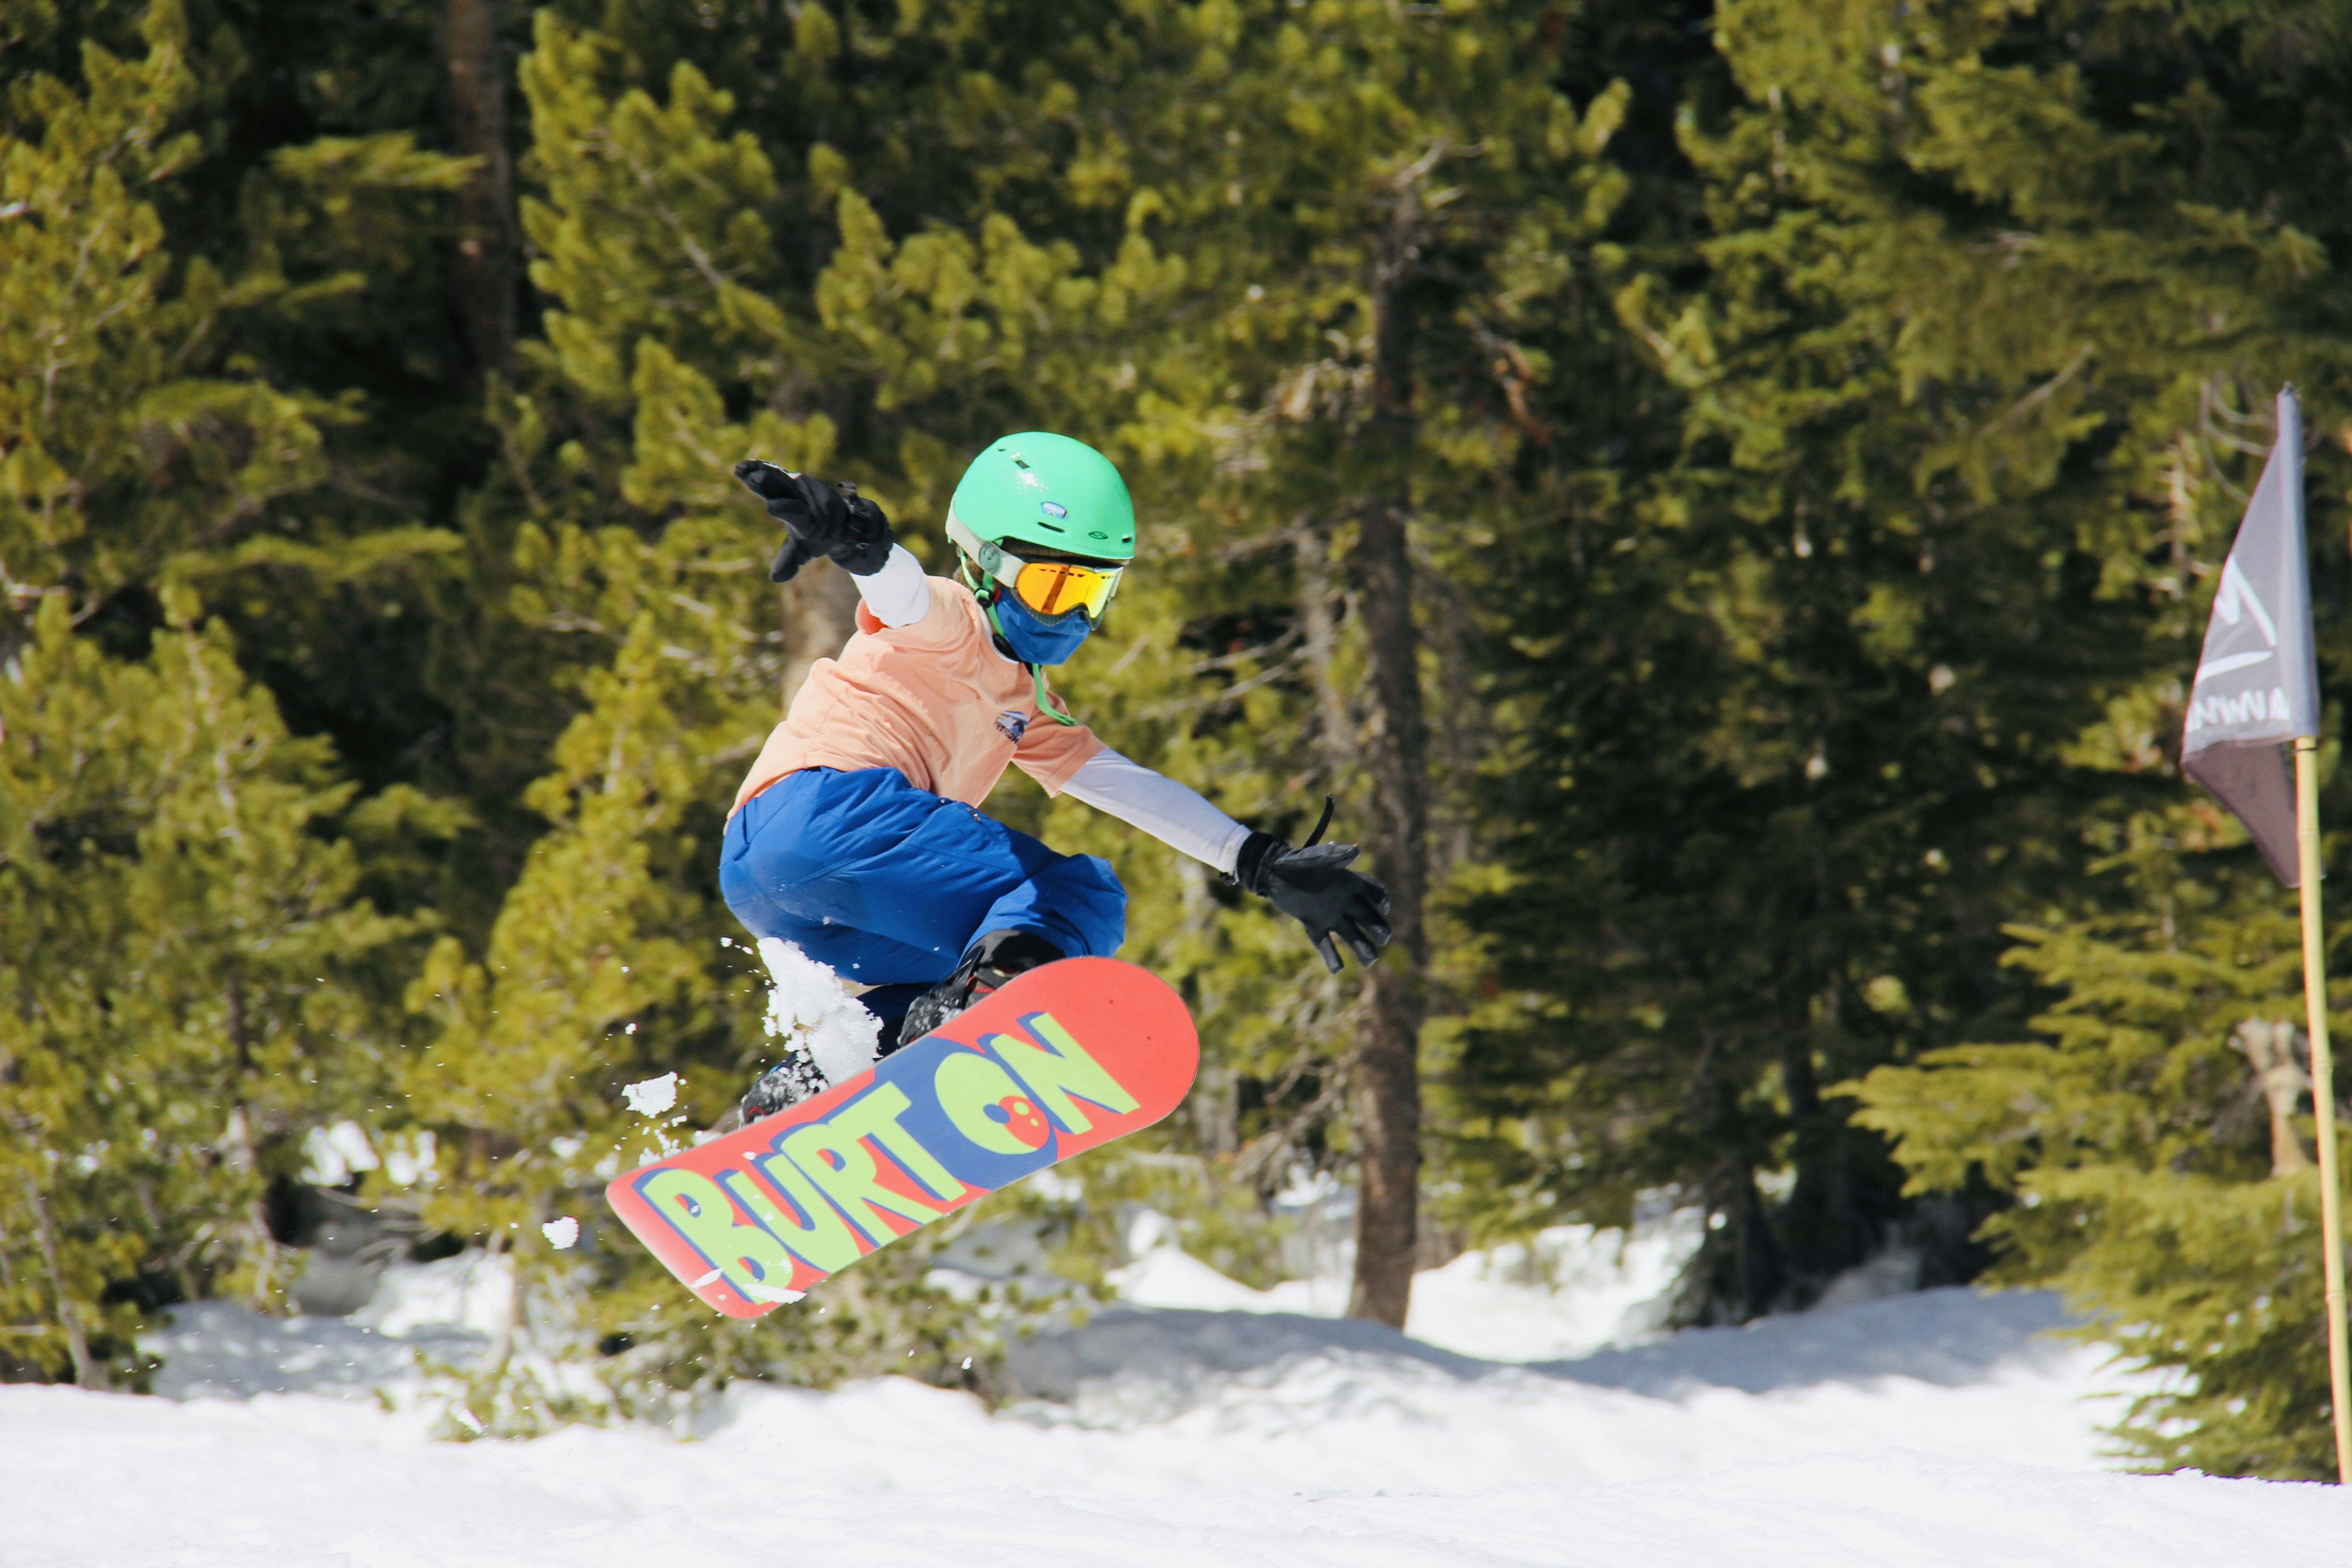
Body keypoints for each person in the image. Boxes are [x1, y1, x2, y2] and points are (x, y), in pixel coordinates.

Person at [717, 431, 1391, 1125]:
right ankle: (981, 1016)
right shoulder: (956, 620)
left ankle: (817, 1084)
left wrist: (1257, 859)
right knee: (1082, 898)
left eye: (1093, 589)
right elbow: (905, 592)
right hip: (833, 816)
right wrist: (859, 543)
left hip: (765, 881)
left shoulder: (1023, 702)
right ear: (987, 566)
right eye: (1051, 585)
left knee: (940, 968)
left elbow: (1119, 781)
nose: (1070, 613)